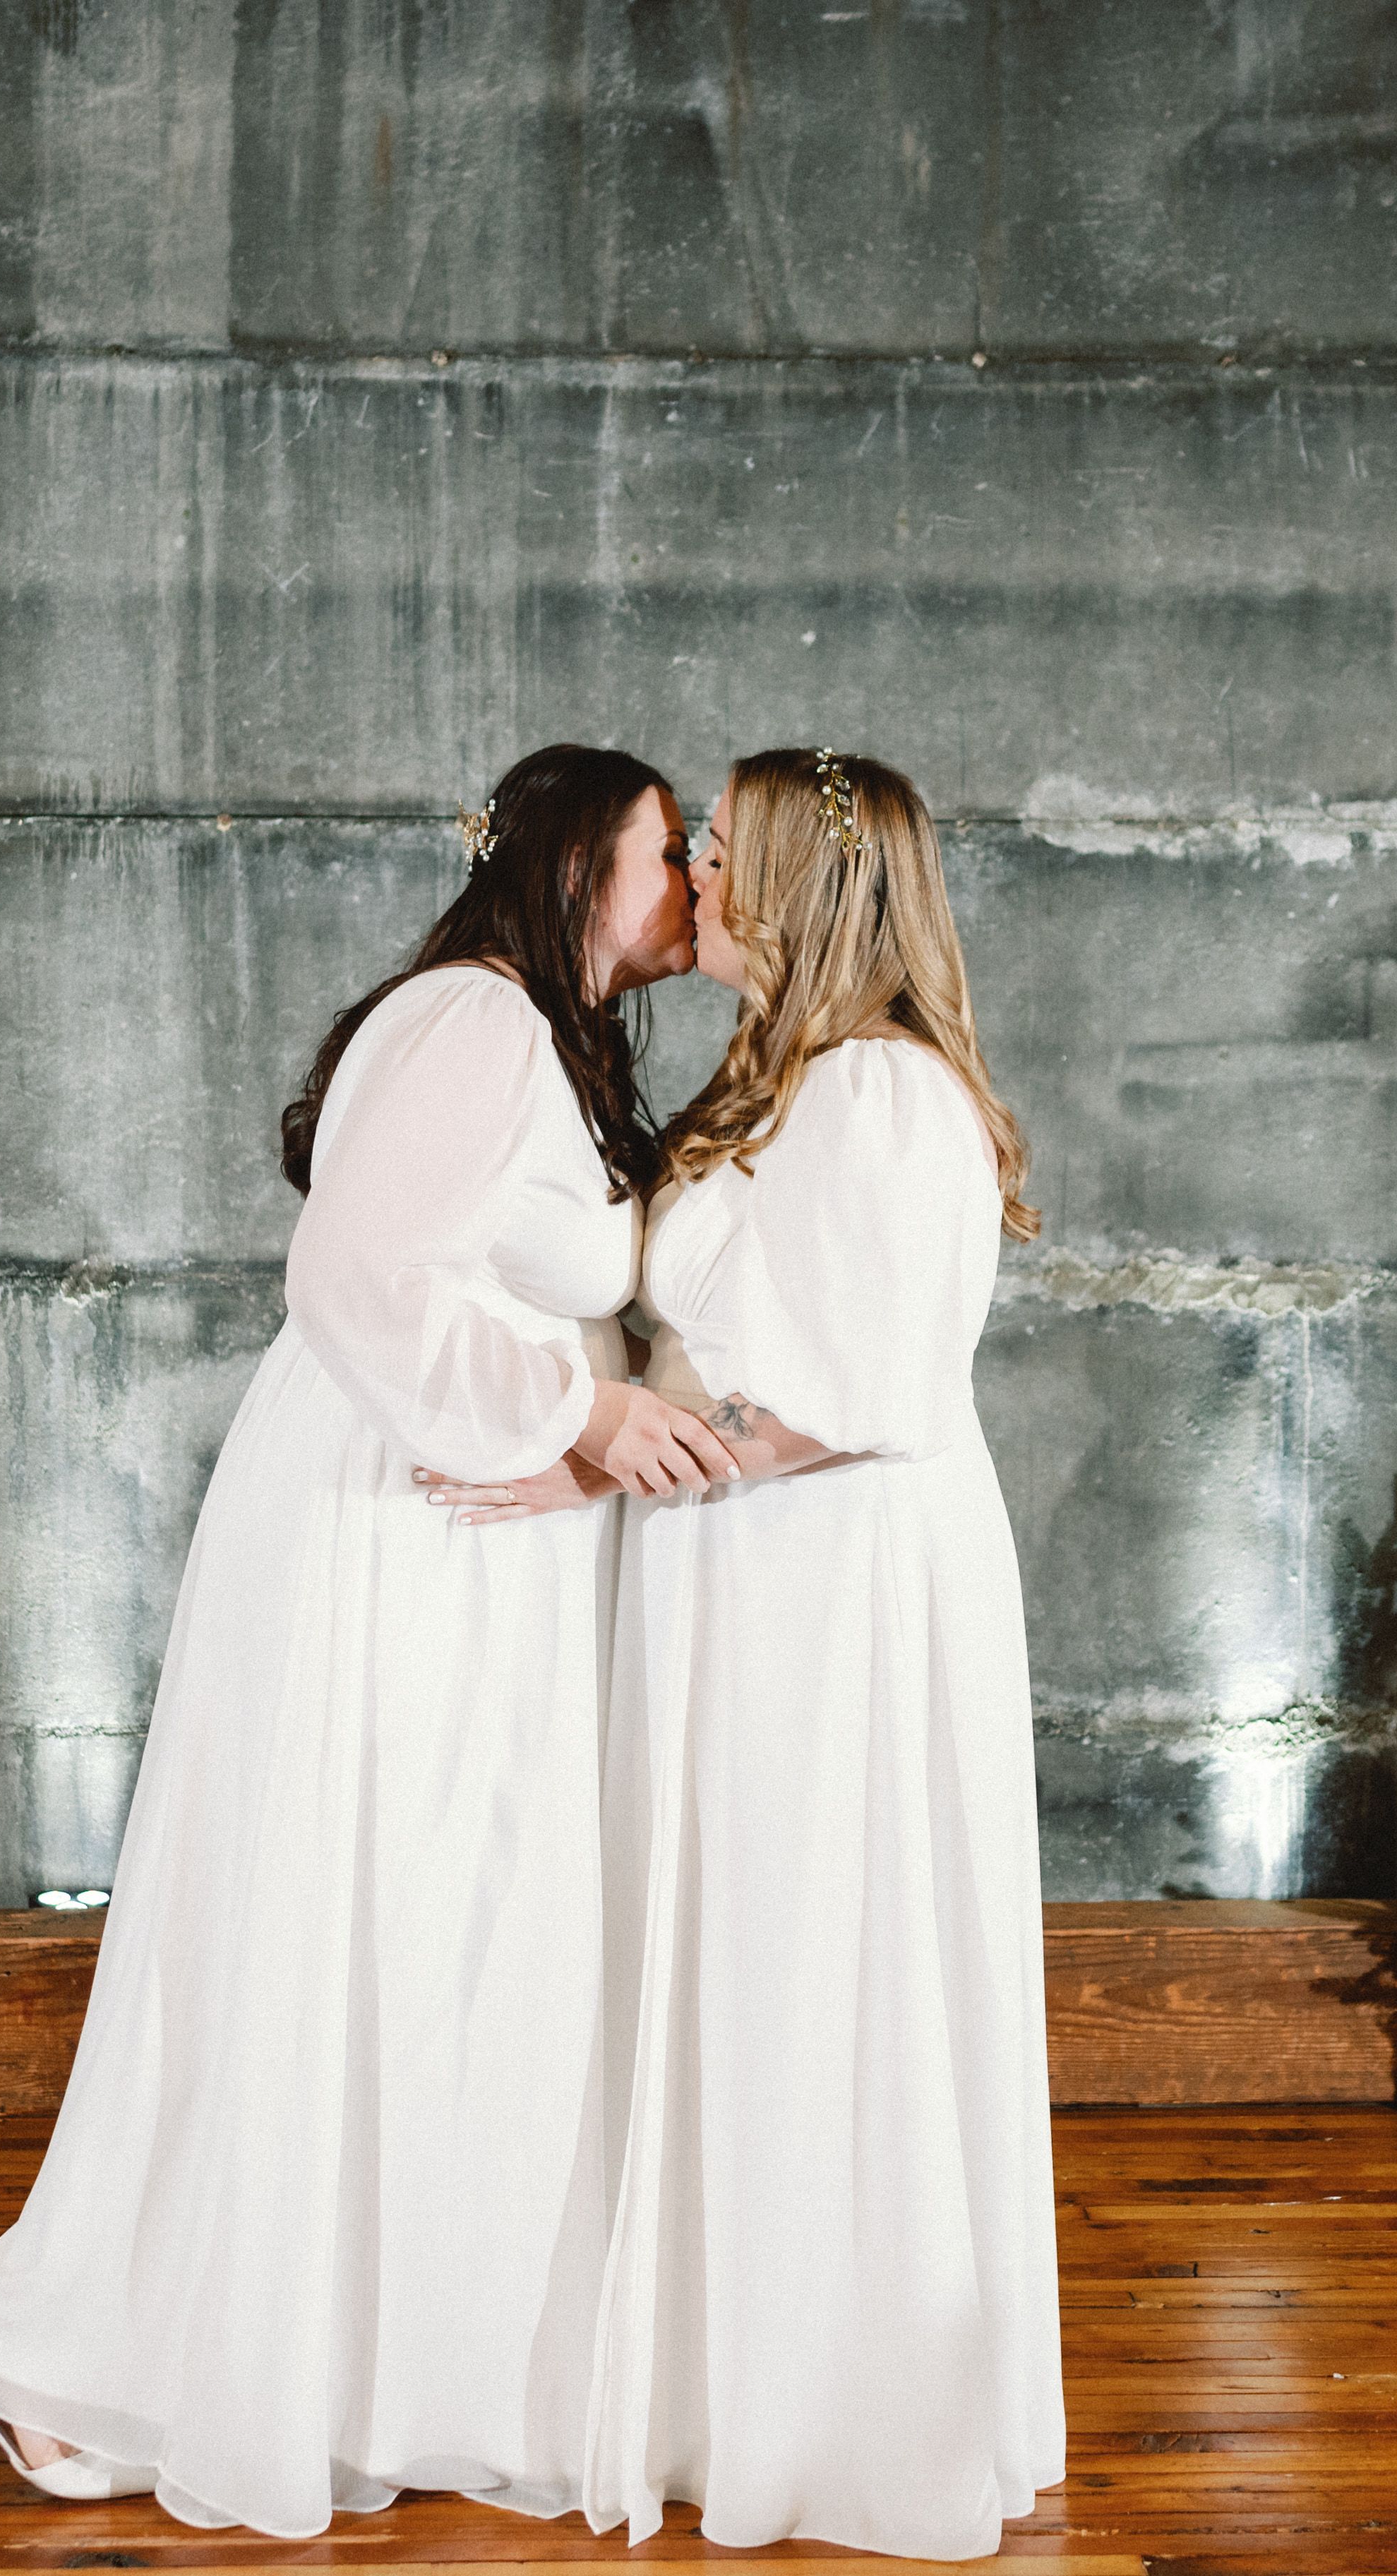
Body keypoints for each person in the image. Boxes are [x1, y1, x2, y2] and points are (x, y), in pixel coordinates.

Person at [0, 744, 741, 2534]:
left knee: (437, 1940)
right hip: (399, 1534)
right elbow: (352, 1281)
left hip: (470, 1529)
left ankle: (385, 2361)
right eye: (673, 853)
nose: (696, 883)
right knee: (352, 1921)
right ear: (586, 861)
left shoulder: (546, 1032)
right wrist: (578, 1421)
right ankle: (92, 2353)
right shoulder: (470, 1021)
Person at [425, 745, 1065, 2558]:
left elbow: (861, 1391)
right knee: (734, 1953)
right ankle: (726, 2375)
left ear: (803, 878)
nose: (691, 868)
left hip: (826, 1587)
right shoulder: (781, 1079)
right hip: (741, 1565)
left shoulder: (877, 1091)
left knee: (817, 1949)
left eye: (717, 843)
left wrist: (604, 1467)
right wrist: (611, 1446)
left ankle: (837, 2409)